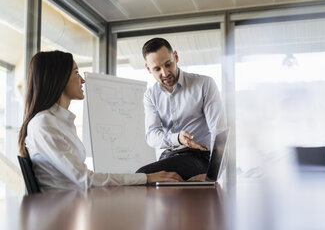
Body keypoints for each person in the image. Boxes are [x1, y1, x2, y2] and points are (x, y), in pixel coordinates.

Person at [18, 51, 182, 192]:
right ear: (58, 78)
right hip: (65, 212)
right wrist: (146, 178)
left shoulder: (60, 121)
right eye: (76, 72)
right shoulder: (44, 123)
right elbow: (85, 180)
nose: (82, 80)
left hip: (77, 204)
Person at [136, 38, 227, 180]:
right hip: (169, 156)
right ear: (148, 69)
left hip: (200, 156)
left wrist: (214, 173)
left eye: (168, 64)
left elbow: (219, 131)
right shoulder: (150, 95)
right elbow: (152, 135)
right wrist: (177, 138)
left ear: (176, 57)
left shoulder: (204, 84)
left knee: (142, 175)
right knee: (143, 179)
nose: (165, 73)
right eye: (157, 69)